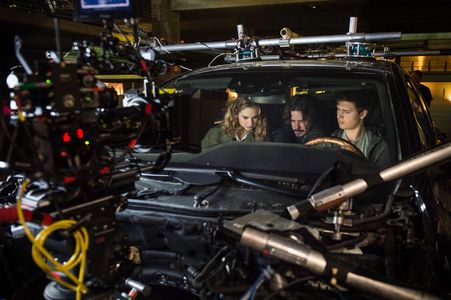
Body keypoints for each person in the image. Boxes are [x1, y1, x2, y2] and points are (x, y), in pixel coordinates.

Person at [332, 91, 390, 168]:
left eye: (346, 112)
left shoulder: (378, 145)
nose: (339, 116)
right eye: (338, 110)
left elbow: (380, 177)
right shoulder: (329, 142)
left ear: (362, 114)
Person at [201, 97, 267, 148]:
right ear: (236, 113)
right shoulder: (215, 134)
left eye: (255, 117)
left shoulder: (263, 136)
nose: (250, 123)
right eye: (245, 117)